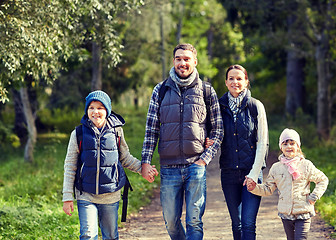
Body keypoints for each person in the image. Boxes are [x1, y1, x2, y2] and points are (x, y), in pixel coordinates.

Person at [141, 43, 224, 240]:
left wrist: (204, 159)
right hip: (169, 168)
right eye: (178, 59)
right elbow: (151, 129)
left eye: (186, 59)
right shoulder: (160, 90)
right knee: (170, 221)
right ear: (173, 61)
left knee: (194, 221)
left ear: (195, 62)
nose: (182, 63)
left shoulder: (206, 91)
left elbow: (219, 129)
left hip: (196, 165)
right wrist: (145, 161)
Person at [62, 90, 158, 240]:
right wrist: (67, 197)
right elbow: (70, 165)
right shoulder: (78, 133)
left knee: (111, 236)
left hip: (110, 195)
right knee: (88, 235)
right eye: (91, 107)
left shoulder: (116, 131)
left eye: (100, 108)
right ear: (87, 110)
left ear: (107, 110)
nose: (95, 112)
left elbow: (125, 158)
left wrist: (142, 169)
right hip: (86, 194)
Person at [248, 128, 329, 240]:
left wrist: (314, 195)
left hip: (303, 211)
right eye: (285, 144)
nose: (289, 147)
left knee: (301, 238)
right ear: (281, 147)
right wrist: (254, 188)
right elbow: (268, 188)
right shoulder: (276, 168)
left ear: (298, 147)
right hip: (285, 213)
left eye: (292, 143)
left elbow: (323, 180)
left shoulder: (306, 165)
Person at [218, 64, 269, 240]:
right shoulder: (218, 107)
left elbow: (263, 143)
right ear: (226, 82)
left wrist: (254, 174)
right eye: (231, 78)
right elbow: (213, 135)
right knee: (236, 223)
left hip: (251, 173)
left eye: (239, 78)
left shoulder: (256, 106)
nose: (235, 82)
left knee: (248, 223)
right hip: (229, 174)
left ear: (246, 82)